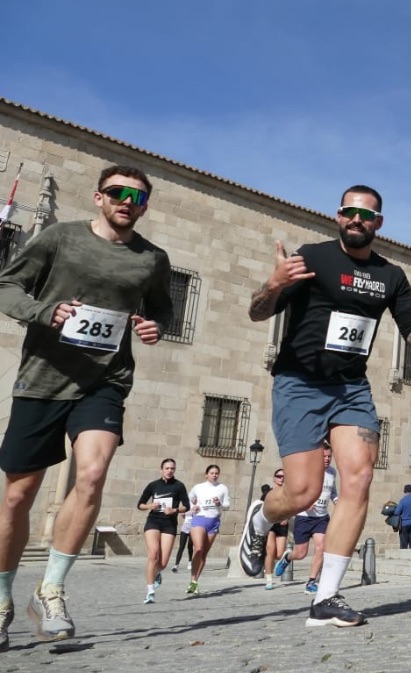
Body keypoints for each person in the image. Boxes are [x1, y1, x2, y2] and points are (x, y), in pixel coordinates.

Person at [242, 184, 411, 628]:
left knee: (360, 477)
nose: (356, 220)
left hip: (351, 388)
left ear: (378, 224)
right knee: (305, 492)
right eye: (349, 212)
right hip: (299, 382)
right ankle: (262, 516)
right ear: (338, 216)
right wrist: (272, 284)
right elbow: (258, 312)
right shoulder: (313, 257)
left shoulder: (391, 276)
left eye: (366, 215)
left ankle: (326, 596)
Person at [0, 164, 173, 647]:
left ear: (144, 206)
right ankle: (2, 600)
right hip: (42, 379)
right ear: (99, 197)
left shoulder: (152, 259)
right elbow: (6, 285)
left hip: (106, 381)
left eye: (137, 197)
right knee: (17, 496)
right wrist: (42, 312)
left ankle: (51, 588)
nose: (127, 201)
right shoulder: (59, 238)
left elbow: (161, 307)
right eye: (117, 193)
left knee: (92, 474)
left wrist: (154, 327)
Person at [272, 444, 337, 595]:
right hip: (304, 517)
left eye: (329, 457)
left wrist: (337, 500)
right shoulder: (309, 471)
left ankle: (311, 582)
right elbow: (296, 491)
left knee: (321, 547)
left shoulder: (332, 473)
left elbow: (332, 491)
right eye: (324, 457)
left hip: (321, 517)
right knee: (300, 554)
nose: (327, 459)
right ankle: (288, 557)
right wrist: (305, 503)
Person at [136, 458, 190, 604]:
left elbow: (187, 506)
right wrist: (149, 506)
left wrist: (174, 510)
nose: (169, 471)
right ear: (161, 470)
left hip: (169, 524)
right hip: (153, 521)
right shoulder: (153, 485)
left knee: (164, 562)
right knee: (153, 555)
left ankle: (157, 573)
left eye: (172, 468)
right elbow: (140, 504)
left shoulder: (179, 486)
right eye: (167, 468)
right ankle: (150, 591)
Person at [186, 465, 230, 594]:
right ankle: (193, 578)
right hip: (199, 518)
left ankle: (194, 582)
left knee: (204, 553)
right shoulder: (198, 487)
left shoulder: (222, 488)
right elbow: (188, 499)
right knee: (198, 548)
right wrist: (192, 506)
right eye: (212, 473)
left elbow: (227, 505)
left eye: (216, 473)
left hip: (214, 521)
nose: (214, 475)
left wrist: (219, 504)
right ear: (206, 474)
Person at [263, 471, 289, 590]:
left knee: (279, 554)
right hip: (270, 524)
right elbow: (261, 508)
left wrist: (287, 517)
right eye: (279, 476)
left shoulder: (288, 493)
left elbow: (292, 507)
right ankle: (269, 580)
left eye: (283, 477)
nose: (281, 479)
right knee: (270, 550)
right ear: (274, 478)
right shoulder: (268, 493)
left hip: (282, 524)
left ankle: (285, 558)